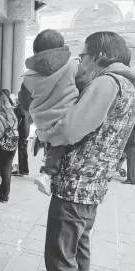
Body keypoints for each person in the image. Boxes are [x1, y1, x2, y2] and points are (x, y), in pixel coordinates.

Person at [40, 31, 135, 271]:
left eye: (82, 56)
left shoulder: (107, 82)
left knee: (60, 258)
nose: (80, 63)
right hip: (92, 186)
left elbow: (71, 129)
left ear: (99, 55)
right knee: (78, 249)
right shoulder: (128, 85)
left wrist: (46, 134)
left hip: (75, 185)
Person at [18, 29, 79, 195]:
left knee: (53, 143)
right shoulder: (73, 66)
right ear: (62, 48)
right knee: (60, 143)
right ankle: (47, 174)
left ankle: (47, 169)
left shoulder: (28, 77)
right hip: (66, 117)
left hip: (43, 121)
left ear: (35, 52)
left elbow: (24, 102)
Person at [14, 100, 31, 175]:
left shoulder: (19, 108)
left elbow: (18, 120)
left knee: (20, 151)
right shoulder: (27, 108)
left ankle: (20, 170)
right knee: (24, 151)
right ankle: (25, 169)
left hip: (21, 131)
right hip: (27, 131)